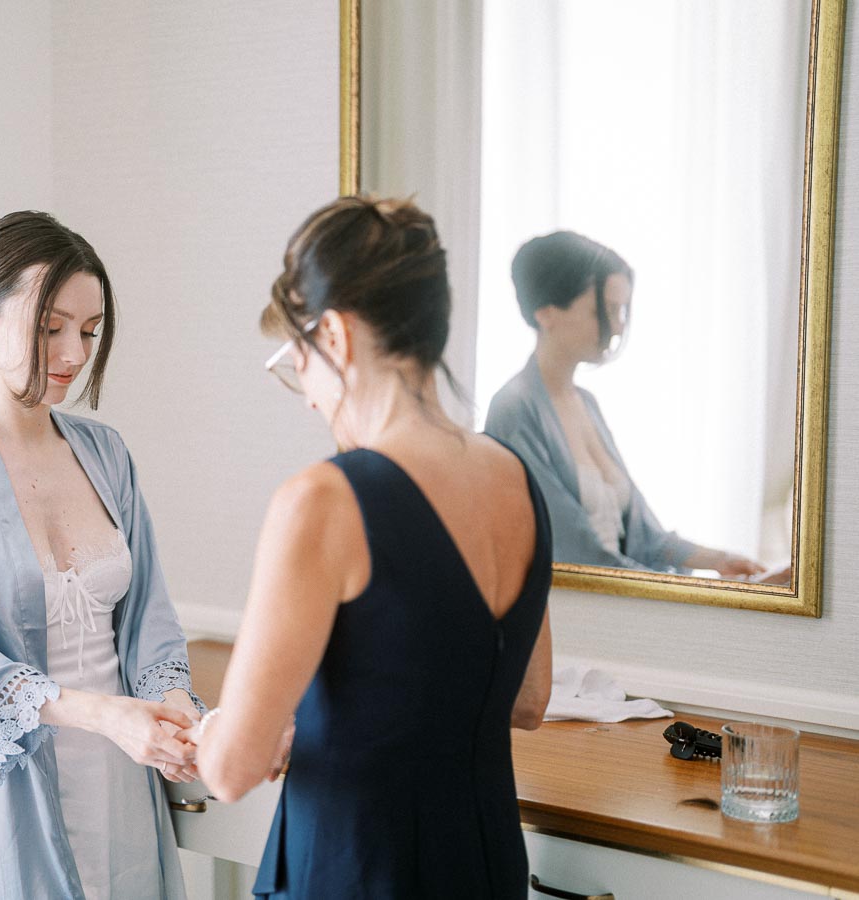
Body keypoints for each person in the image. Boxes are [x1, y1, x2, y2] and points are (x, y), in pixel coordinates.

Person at [184, 196, 554, 899]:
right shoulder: (514, 477)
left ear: (335, 335)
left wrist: (222, 729)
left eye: (299, 358)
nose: (306, 395)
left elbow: (231, 772)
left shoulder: (324, 500)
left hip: (356, 872)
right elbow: (527, 698)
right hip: (483, 871)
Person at [0, 210, 204, 900]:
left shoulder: (106, 453)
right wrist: (105, 714)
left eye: (88, 331)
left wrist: (171, 706)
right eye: (49, 327)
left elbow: (148, 615)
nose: (73, 353)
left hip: (122, 775)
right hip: (10, 789)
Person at [484, 230, 769, 577]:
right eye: (604, 310)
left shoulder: (586, 404)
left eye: (622, 310)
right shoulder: (514, 410)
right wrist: (684, 592)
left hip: (620, 598)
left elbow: (643, 534)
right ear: (546, 313)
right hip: (578, 608)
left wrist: (717, 560)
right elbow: (574, 552)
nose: (618, 326)